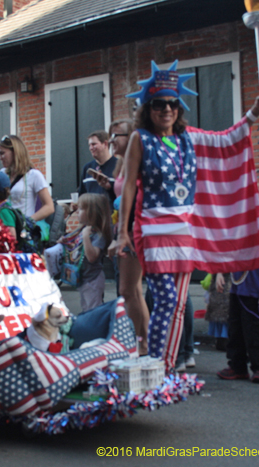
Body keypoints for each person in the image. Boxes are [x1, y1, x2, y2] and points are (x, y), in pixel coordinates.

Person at [116, 60, 259, 372]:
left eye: (172, 103)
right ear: (148, 108)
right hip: (152, 229)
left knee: (176, 306)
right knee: (165, 301)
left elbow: (228, 139)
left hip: (185, 232)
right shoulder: (140, 139)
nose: (166, 110)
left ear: (179, 106)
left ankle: (170, 365)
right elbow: (129, 190)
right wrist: (122, 231)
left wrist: (253, 112)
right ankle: (156, 365)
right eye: (159, 104)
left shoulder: (191, 138)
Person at [101, 119, 151, 355]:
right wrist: (110, 186)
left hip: (133, 232)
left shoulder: (135, 162)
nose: (111, 141)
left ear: (130, 136)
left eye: (115, 136)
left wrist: (123, 234)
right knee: (133, 291)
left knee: (129, 290)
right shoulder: (120, 164)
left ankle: (141, 342)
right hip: (127, 230)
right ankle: (142, 342)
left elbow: (134, 201)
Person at [217, 232, 259, 384]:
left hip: (256, 293)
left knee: (256, 332)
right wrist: (219, 273)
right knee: (235, 330)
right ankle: (237, 366)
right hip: (236, 290)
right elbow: (226, 257)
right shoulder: (235, 236)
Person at [0, 135, 54, 221]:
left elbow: (49, 207)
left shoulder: (34, 175)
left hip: (23, 229)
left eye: (2, 153)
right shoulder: (2, 174)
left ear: (15, 152)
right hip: (5, 227)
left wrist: (28, 221)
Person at [76, 193, 112, 311]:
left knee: (94, 310)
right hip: (84, 278)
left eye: (81, 208)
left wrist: (85, 237)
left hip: (93, 279)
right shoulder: (83, 230)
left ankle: (97, 329)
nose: (77, 211)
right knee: (86, 308)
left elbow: (92, 257)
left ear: (92, 212)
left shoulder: (98, 235)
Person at [79, 130, 117, 204]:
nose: (90, 148)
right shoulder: (87, 168)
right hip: (91, 214)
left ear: (105, 144)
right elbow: (82, 194)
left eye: (93, 144)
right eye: (89, 145)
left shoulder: (119, 166)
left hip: (112, 214)